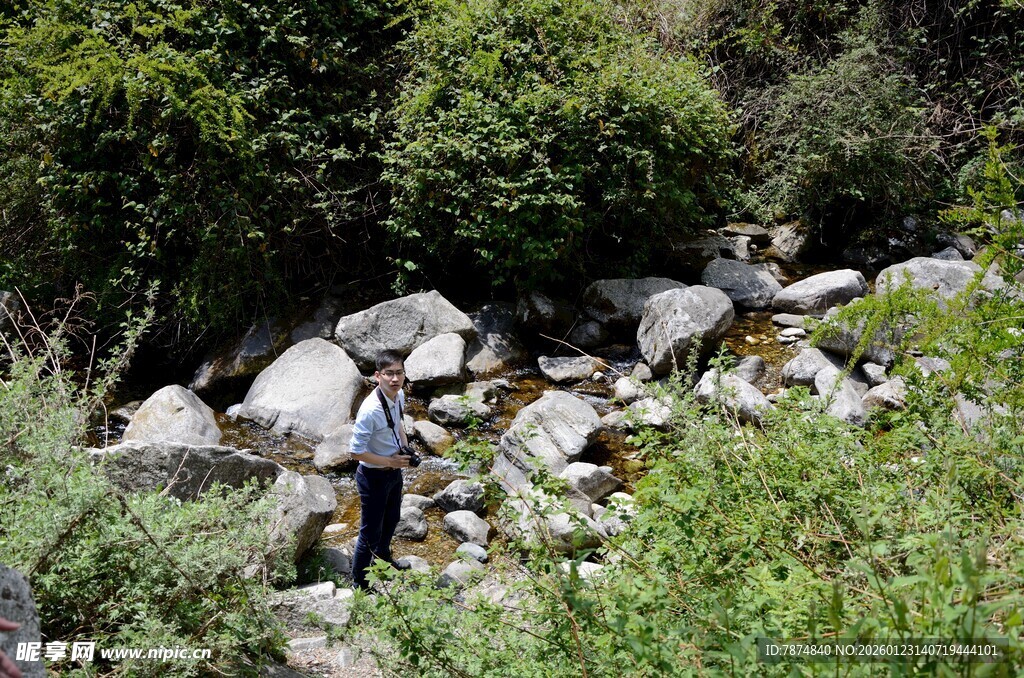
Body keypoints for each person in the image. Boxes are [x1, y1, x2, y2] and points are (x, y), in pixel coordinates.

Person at [350, 349, 413, 590]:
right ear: (378, 376)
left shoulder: (399, 396)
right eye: (389, 374)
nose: (395, 379)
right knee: (369, 532)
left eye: (399, 373)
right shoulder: (370, 410)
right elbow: (355, 452)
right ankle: (360, 584)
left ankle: (383, 559)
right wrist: (390, 462)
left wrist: (404, 448)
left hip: (393, 471)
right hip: (373, 475)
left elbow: (398, 425)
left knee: (392, 519)